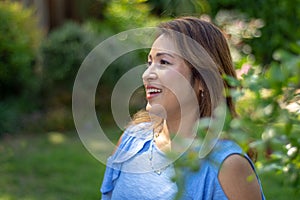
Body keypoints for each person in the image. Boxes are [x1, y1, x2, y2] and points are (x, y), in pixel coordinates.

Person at [100, 16, 265, 200]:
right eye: (149, 62)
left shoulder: (228, 166)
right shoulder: (132, 139)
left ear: (204, 79)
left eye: (164, 62)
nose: (147, 74)